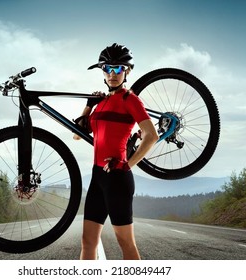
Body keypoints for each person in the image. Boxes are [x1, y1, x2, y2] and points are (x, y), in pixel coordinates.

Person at [74, 43, 159, 260]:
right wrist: (89, 106)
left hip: (118, 179)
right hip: (97, 177)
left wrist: (127, 164)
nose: (113, 74)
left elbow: (151, 136)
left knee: (126, 243)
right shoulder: (101, 102)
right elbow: (77, 135)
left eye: (119, 69)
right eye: (108, 69)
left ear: (127, 71)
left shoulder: (129, 99)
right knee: (88, 242)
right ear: (102, 71)